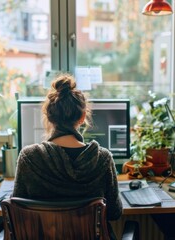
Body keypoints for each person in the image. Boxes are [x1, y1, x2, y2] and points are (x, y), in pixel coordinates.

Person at [12, 74, 122, 237]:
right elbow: (114, 213)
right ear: (82, 117)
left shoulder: (29, 158)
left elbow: (17, 211)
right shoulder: (103, 159)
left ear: (49, 116)